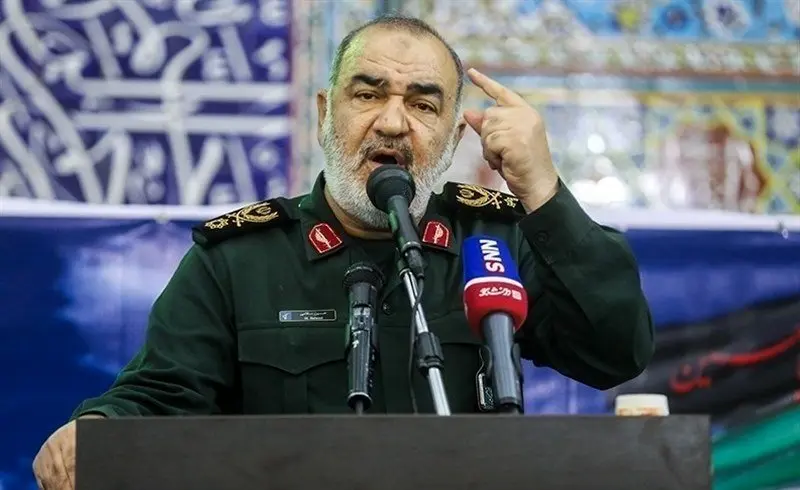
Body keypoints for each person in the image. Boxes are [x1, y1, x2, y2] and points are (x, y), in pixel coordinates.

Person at [32, 14, 654, 490]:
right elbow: (163, 398)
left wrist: (541, 188)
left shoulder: (493, 241)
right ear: (326, 113)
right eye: (368, 94)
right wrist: (100, 431)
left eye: (423, 104)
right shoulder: (240, 259)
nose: (392, 122)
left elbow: (614, 351)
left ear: (450, 135)